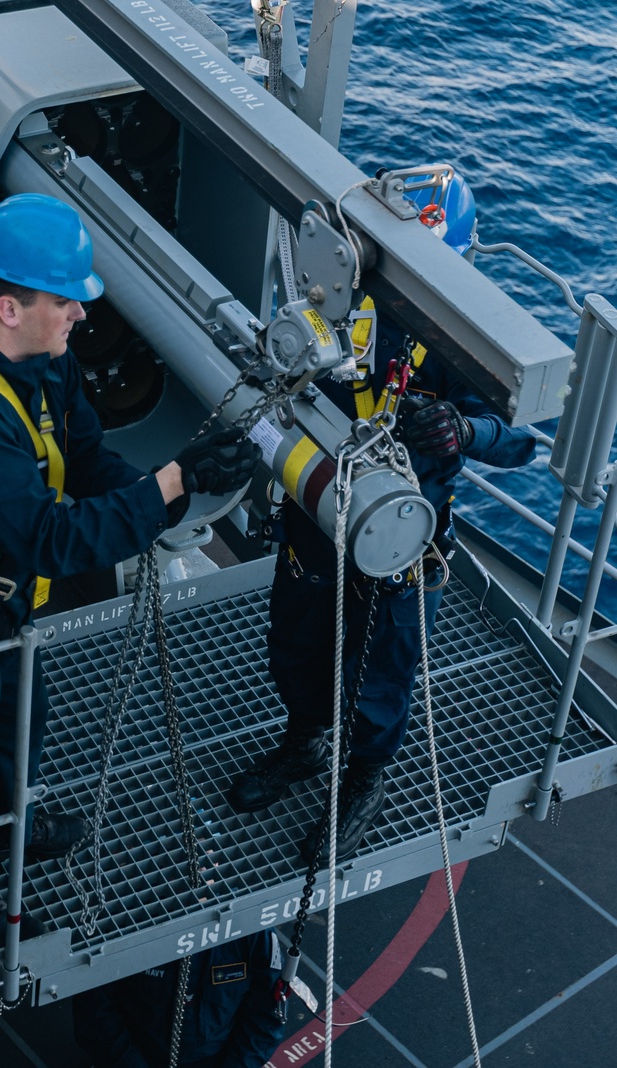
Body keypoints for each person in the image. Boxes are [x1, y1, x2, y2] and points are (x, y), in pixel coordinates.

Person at [0, 192, 259, 951]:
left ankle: (13, 829)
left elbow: (86, 463)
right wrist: (171, 485)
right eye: (67, 301)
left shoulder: (46, 367)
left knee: (19, 728)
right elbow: (52, 540)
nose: (81, 314)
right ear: (9, 307)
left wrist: (178, 479)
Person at [226, 170, 536, 860]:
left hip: (401, 537)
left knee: (382, 666)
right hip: (317, 508)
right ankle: (304, 742)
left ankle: (364, 776)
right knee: (297, 640)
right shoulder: (335, 297)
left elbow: (520, 438)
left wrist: (464, 427)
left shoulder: (477, 339)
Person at [72, 931, 289, 1068]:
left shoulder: (252, 932)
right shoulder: (125, 927)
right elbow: (95, 1013)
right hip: (135, 1056)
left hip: (218, 1059)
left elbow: (266, 1016)